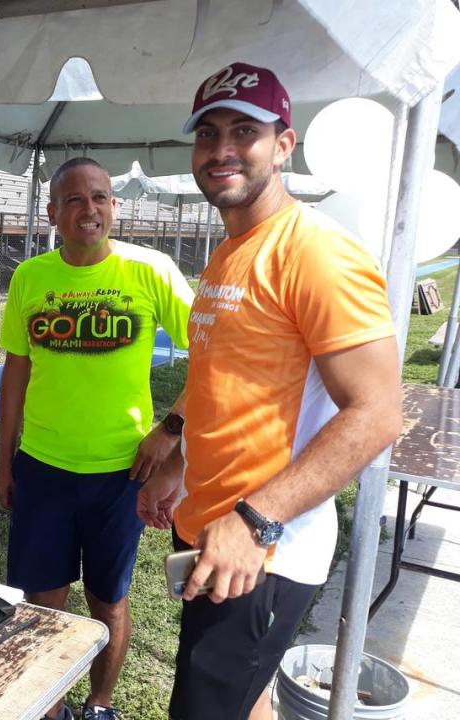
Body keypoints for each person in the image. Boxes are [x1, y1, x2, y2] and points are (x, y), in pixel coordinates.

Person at [136, 62, 403, 720]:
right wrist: (176, 464)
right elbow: (219, 382)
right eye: (207, 133)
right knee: (243, 698)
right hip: (210, 527)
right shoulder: (231, 251)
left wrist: (255, 523)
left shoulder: (316, 252)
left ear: (284, 144)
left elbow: (378, 414)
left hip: (264, 549)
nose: (221, 150)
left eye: (243, 131)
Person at [0, 157, 194, 720]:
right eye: (77, 200)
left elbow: (214, 352)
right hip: (43, 468)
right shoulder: (31, 278)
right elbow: (16, 372)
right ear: (54, 212)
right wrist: (5, 460)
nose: (91, 210)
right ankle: (51, 706)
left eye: (102, 198)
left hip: (120, 473)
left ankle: (100, 705)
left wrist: (171, 429)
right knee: (43, 606)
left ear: (115, 206)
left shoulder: (150, 270)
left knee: (108, 601)